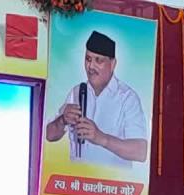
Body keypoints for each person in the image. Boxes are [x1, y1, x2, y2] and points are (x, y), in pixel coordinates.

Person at [45, 31, 148, 169]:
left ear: (113, 64)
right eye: (88, 59)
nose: (91, 66)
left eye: (98, 60)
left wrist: (101, 138)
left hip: (112, 181)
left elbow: (140, 152)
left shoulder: (127, 98)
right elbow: (49, 135)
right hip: (76, 179)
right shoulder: (77, 92)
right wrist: (63, 120)